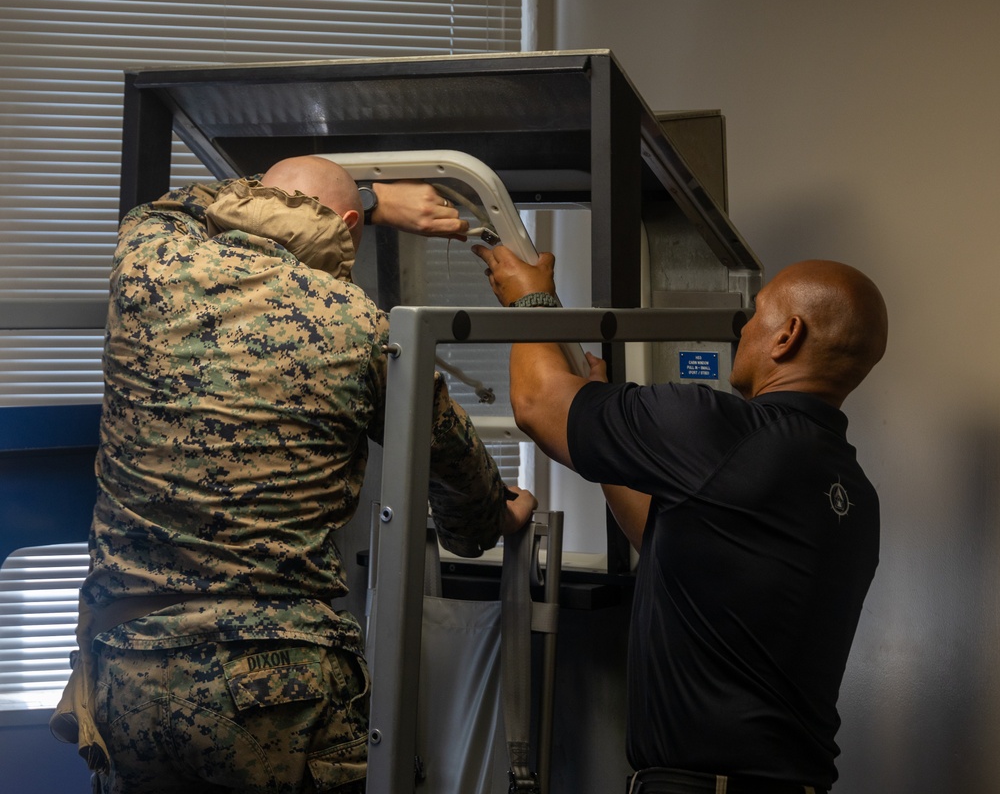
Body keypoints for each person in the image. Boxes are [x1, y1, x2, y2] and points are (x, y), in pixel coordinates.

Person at [66, 155, 536, 794]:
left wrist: (375, 202)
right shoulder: (364, 328)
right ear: (344, 227)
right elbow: (467, 505)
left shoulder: (147, 257)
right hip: (278, 677)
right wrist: (501, 514)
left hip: (127, 670)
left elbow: (175, 200)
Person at [474, 244, 888, 794]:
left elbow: (536, 403)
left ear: (787, 336)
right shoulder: (853, 491)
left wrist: (528, 301)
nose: (742, 331)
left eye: (755, 314)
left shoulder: (724, 430)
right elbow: (666, 535)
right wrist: (610, 444)